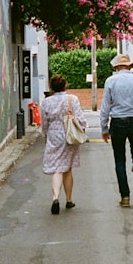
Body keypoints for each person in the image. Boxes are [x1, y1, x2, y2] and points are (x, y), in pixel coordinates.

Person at [99, 53, 133, 207]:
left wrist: (104, 128)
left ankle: (125, 196)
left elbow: (105, 107)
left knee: (119, 159)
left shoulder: (110, 81)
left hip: (118, 122)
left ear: (116, 67)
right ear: (130, 66)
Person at [40, 74, 86, 214]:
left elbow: (44, 122)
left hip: (54, 135)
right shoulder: (72, 99)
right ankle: (69, 199)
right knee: (67, 169)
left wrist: (46, 135)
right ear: (65, 85)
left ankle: (55, 197)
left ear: (51, 87)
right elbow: (80, 119)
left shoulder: (46, 102)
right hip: (69, 135)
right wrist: (82, 130)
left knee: (57, 168)